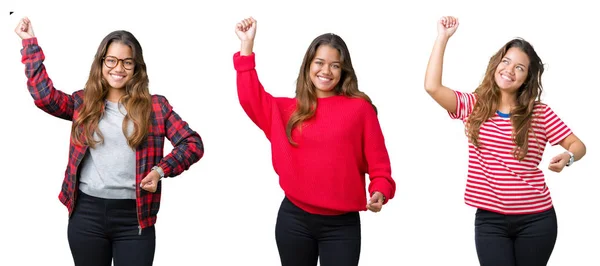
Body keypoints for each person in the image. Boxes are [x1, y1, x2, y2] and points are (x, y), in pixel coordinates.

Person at [15, 17, 204, 266]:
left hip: (135, 219)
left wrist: (160, 171)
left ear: (136, 67)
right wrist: (30, 43)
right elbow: (44, 97)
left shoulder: (156, 107)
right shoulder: (83, 103)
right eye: (112, 60)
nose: (118, 68)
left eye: (127, 62)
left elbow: (192, 144)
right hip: (86, 215)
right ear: (102, 62)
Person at [424, 16, 587, 266]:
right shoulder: (473, 106)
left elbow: (578, 145)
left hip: (537, 220)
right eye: (506, 62)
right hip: (491, 222)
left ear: (527, 79)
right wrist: (442, 38)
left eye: (519, 68)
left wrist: (569, 157)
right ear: (496, 65)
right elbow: (432, 87)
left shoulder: (539, 113)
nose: (509, 70)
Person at [233, 17, 396, 266]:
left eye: (335, 66)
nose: (326, 71)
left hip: (342, 226)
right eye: (319, 63)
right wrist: (247, 47)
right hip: (294, 220)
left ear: (343, 71)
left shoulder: (360, 109)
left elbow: (379, 164)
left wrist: (380, 190)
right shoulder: (288, 110)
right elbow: (249, 97)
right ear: (308, 66)